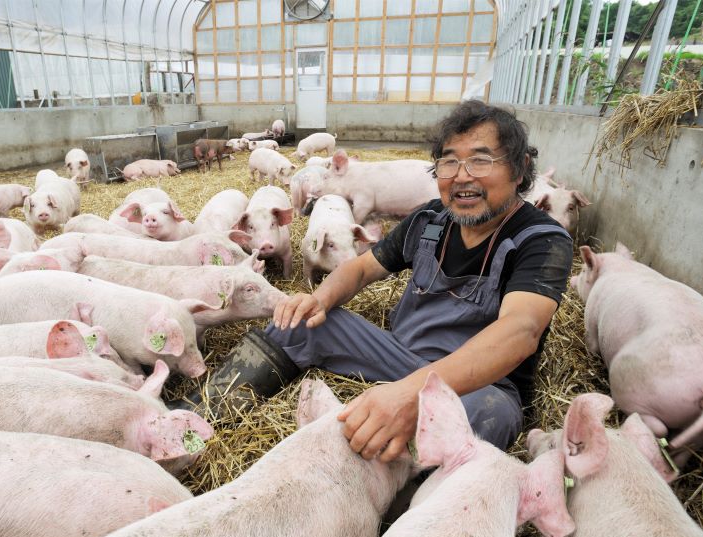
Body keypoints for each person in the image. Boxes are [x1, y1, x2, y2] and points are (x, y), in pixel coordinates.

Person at [184, 100, 573, 460]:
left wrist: (409, 396)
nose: (461, 176)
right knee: (301, 321)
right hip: (399, 357)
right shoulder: (429, 221)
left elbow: (520, 332)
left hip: (478, 387)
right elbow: (360, 269)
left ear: (519, 168)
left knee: (486, 415)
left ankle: (399, 501)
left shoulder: (540, 240)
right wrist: (320, 299)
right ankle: (193, 421)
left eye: (481, 161)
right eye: (449, 162)